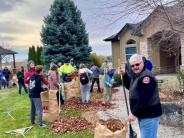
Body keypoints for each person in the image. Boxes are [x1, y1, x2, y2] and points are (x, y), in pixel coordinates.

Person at [120, 54, 162, 138]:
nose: (135, 67)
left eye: (137, 64)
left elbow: (145, 98)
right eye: (132, 66)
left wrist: (134, 113)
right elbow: (130, 87)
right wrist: (124, 75)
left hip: (149, 115)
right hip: (144, 115)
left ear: (142, 63)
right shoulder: (137, 75)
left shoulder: (146, 77)